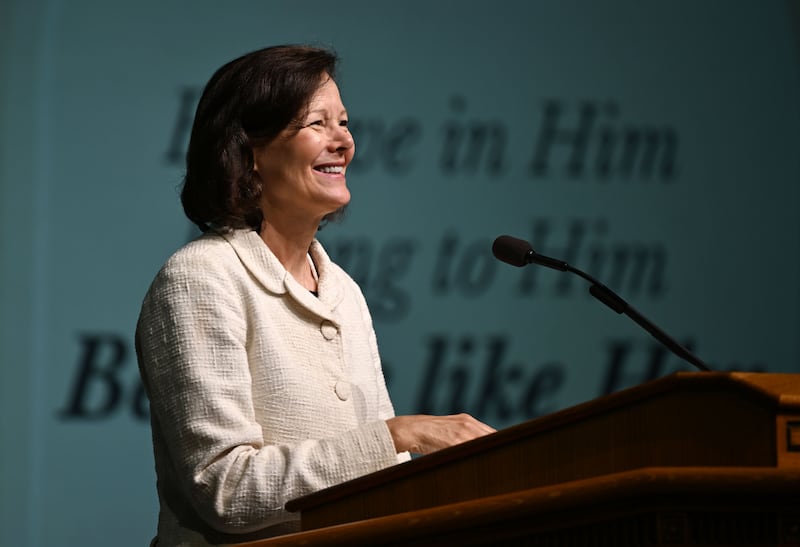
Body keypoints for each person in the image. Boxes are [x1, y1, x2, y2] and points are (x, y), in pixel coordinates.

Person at [135, 44, 495, 546]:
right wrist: (400, 435)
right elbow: (225, 488)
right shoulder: (201, 279)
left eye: (344, 122)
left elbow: (378, 478)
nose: (343, 141)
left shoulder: (342, 290)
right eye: (317, 124)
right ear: (250, 153)